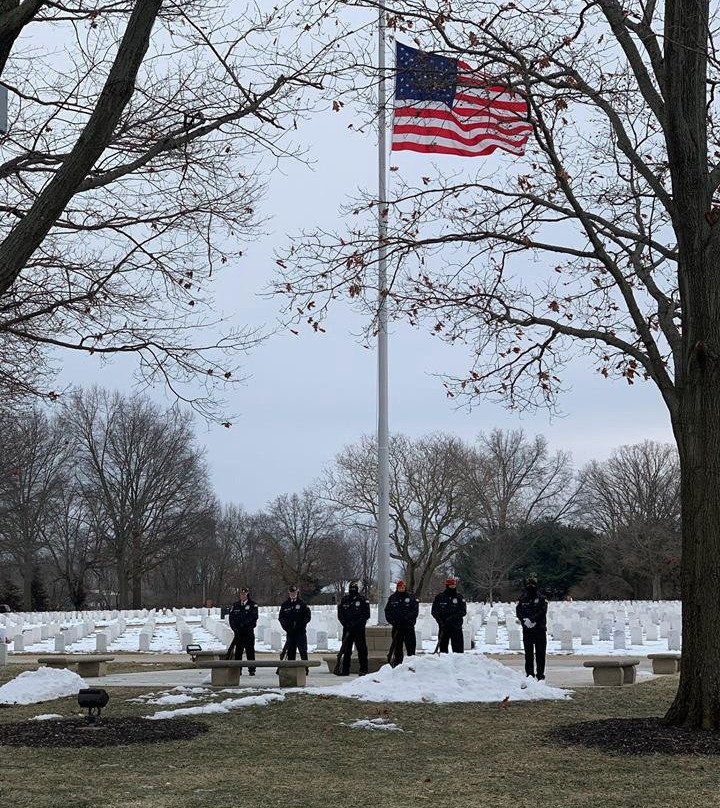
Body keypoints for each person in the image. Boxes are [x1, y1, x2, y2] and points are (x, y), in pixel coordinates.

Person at [516, 575, 548, 680]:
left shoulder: (542, 599)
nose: (530, 586)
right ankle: (529, 675)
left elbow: (542, 612)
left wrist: (533, 620)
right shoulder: (522, 599)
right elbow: (519, 611)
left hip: (539, 630)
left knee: (540, 655)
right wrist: (525, 621)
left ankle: (540, 676)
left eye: (532, 584)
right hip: (527, 630)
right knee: (528, 656)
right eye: (529, 584)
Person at [337, 580, 370, 675]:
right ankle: (345, 670)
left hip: (359, 630)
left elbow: (366, 615)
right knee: (346, 650)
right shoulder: (344, 600)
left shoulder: (363, 600)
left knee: (362, 650)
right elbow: (340, 614)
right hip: (347, 629)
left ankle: (363, 669)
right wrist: (346, 624)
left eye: (354, 588)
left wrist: (356, 624)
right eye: (351, 588)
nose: (352, 590)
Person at [384, 580, 419, 666]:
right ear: (397, 588)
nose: (401, 589)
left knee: (411, 649)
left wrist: (407, 619)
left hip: (408, 628)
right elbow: (387, 611)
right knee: (397, 649)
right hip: (397, 628)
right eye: (400, 587)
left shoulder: (411, 597)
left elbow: (415, 611)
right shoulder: (392, 598)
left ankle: (412, 666)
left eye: (403, 587)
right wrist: (393, 621)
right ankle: (397, 666)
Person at [228, 587, 258, 675]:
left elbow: (254, 617)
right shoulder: (235, 605)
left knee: (250, 651)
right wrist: (234, 628)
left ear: (247, 594)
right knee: (238, 652)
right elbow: (231, 618)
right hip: (238, 632)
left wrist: (244, 625)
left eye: (244, 594)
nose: (243, 596)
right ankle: (238, 669)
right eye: (241, 594)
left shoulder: (253, 604)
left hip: (248, 632)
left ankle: (251, 669)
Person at [431, 578, 467, 653]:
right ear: (447, 586)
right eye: (451, 585)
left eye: (454, 585)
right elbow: (434, 611)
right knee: (443, 651)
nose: (453, 587)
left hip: (456, 627)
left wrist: (452, 618)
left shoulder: (459, 597)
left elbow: (463, 611)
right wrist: (440, 622)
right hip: (444, 627)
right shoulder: (440, 597)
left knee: (458, 651)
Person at [278, 585, 312, 662]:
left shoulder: (302, 604)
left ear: (297, 593)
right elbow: (281, 618)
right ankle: (291, 671)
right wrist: (286, 628)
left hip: (300, 633)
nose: (293, 594)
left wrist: (300, 626)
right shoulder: (285, 605)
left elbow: (307, 617)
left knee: (303, 652)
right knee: (290, 653)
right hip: (290, 633)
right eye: (291, 593)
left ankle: (305, 670)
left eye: (294, 592)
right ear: (289, 593)